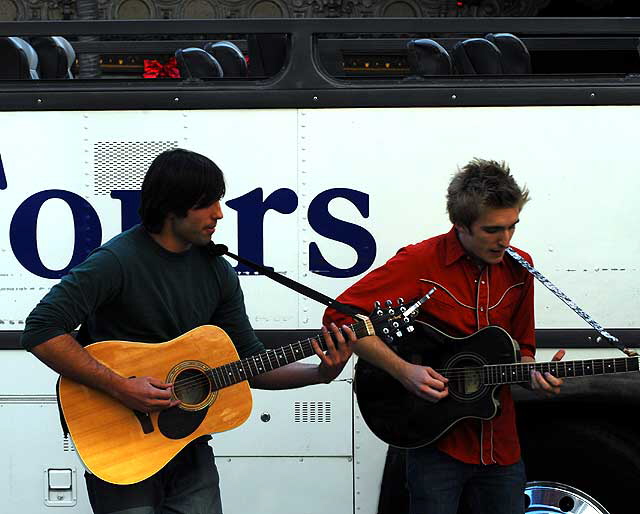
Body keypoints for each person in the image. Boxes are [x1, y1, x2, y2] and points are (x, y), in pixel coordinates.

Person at [21, 148, 355, 514]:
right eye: (207, 203)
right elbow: (41, 330)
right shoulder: (116, 261)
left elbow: (251, 364)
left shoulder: (217, 271)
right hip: (118, 444)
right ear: (172, 206)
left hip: (189, 444)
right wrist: (122, 387)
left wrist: (321, 374)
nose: (219, 213)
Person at [323, 158, 564, 514]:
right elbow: (340, 317)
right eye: (492, 230)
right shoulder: (421, 261)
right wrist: (405, 371)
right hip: (436, 443)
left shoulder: (520, 266)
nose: (506, 240)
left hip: (501, 448)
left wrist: (533, 375)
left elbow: (522, 347)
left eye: (513, 227)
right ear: (460, 225)